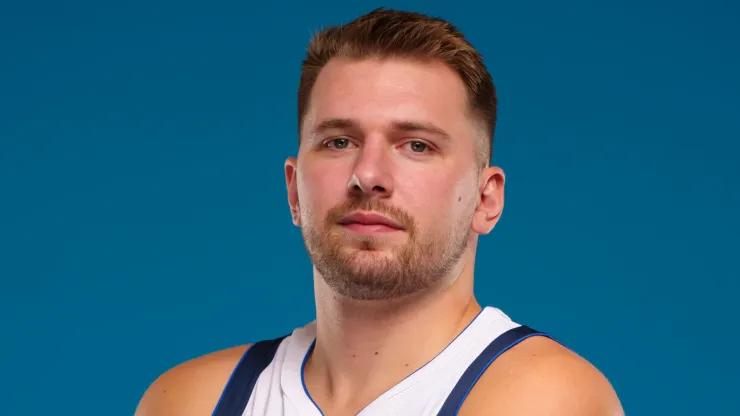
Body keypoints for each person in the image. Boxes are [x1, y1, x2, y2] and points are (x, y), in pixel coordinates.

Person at [135, 7, 624, 416]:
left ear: (486, 198)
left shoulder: (542, 398)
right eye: (339, 141)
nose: (368, 174)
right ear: (294, 191)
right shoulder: (190, 401)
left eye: (415, 145)